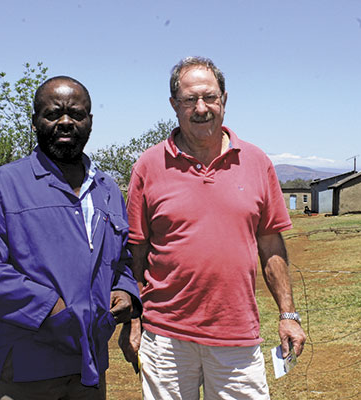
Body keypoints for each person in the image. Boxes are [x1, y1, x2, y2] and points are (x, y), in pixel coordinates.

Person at [119, 57, 306, 399]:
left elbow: (271, 246)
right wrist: (134, 319)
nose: (201, 108)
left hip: (237, 335)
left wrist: (288, 314)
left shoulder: (256, 162)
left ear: (224, 99)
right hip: (166, 337)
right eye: (190, 99)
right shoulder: (148, 165)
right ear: (174, 105)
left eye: (210, 97)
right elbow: (137, 250)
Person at [0, 76, 141, 400]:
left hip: (90, 367)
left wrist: (125, 291)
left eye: (76, 114)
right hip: (28, 365)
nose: (65, 122)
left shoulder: (107, 189)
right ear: (35, 121)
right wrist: (48, 308)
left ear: (90, 121)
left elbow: (121, 258)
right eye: (53, 114)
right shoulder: (5, 185)